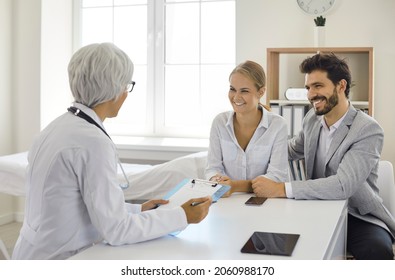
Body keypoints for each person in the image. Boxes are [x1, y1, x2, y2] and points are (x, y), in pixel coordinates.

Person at [12, 43, 211, 260]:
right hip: (60, 260)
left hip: (30, 253)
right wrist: (182, 216)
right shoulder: (92, 141)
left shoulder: (55, 127)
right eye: (127, 85)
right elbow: (116, 230)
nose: (126, 93)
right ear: (114, 89)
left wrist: (138, 210)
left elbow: (75, 203)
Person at [251, 52, 395, 260]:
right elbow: (293, 150)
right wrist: (260, 143)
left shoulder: (367, 129)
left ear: (341, 86)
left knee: (376, 251)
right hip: (315, 207)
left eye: (318, 86)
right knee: (276, 242)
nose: (310, 95)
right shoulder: (312, 118)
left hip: (356, 215)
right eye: (308, 87)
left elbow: (343, 185)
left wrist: (282, 189)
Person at [205, 60, 289, 196]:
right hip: (227, 199)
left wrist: (234, 186)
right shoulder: (219, 122)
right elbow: (212, 168)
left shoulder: (278, 125)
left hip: (264, 200)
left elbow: (277, 176)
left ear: (261, 92)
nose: (236, 97)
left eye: (244, 91)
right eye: (232, 89)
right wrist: (217, 181)